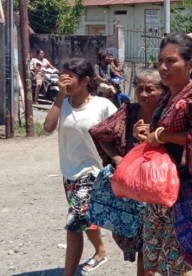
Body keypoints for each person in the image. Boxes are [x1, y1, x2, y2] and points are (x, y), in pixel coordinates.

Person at [137, 32, 192, 276]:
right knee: (153, 256)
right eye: (160, 61)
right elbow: (162, 134)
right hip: (161, 190)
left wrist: (163, 136)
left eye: (170, 61)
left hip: (186, 192)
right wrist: (148, 133)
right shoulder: (168, 97)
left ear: (191, 65)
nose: (163, 67)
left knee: (176, 263)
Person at [43, 58, 117, 276]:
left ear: (85, 80)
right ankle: (101, 250)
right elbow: (47, 127)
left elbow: (118, 133)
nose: (64, 79)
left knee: (74, 222)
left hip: (94, 173)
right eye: (62, 75)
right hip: (69, 172)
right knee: (84, 216)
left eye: (69, 76)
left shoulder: (102, 105)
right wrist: (60, 95)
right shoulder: (63, 104)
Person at [89, 70, 165, 276]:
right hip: (136, 196)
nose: (143, 94)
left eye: (150, 89)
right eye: (139, 89)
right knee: (144, 249)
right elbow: (100, 133)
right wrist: (116, 158)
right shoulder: (128, 112)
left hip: (164, 194)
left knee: (169, 253)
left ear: (162, 91)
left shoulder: (169, 113)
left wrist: (153, 139)